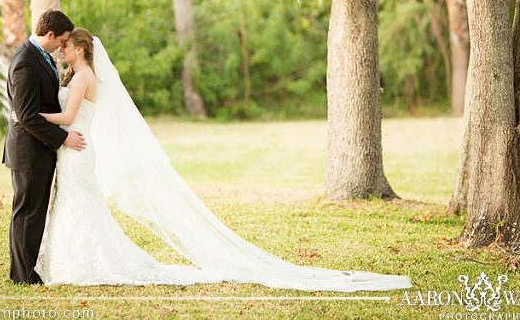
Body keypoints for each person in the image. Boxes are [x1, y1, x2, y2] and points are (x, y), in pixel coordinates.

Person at [33, 27, 412, 292]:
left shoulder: (83, 78)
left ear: (80, 49)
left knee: (81, 206)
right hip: (73, 150)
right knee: (77, 206)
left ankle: (85, 262)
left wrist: (30, 116)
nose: (61, 51)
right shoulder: (75, 76)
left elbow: (67, 118)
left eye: (65, 47)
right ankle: (71, 259)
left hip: (77, 149)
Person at [2, 10, 87, 285]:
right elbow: (26, 116)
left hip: (39, 151)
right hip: (28, 152)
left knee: (34, 212)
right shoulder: (25, 62)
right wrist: (62, 138)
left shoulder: (43, 57)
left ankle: (25, 270)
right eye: (61, 40)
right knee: (27, 213)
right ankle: (23, 275)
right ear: (49, 35)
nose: (63, 46)